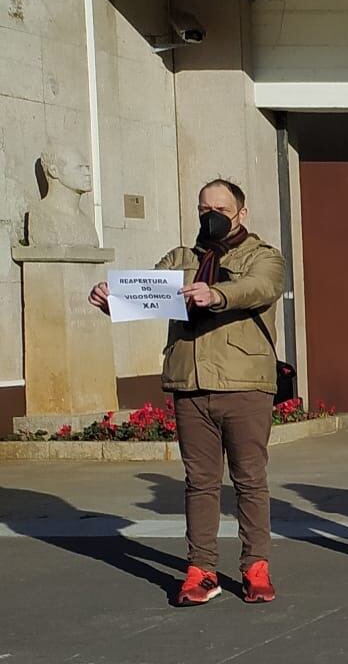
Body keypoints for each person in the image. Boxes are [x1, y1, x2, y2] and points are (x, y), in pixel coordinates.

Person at [87, 179, 285, 606]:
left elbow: (260, 288)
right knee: (200, 482)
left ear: (241, 214)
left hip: (244, 383)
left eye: (219, 208)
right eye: (202, 209)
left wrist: (216, 293)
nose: (209, 215)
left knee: (250, 480)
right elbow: (149, 291)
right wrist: (113, 298)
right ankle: (201, 570)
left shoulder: (263, 256)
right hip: (189, 383)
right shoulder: (182, 257)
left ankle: (255, 566)